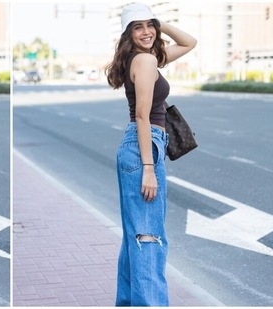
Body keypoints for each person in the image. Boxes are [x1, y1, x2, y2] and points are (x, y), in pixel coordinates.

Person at [105, 2, 196, 306]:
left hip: (141, 145)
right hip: (144, 147)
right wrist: (148, 167)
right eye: (137, 27)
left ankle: (129, 303)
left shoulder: (146, 57)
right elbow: (142, 116)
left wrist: (162, 23)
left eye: (149, 25)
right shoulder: (144, 61)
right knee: (149, 238)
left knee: (137, 237)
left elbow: (189, 43)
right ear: (127, 34)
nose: (146, 32)